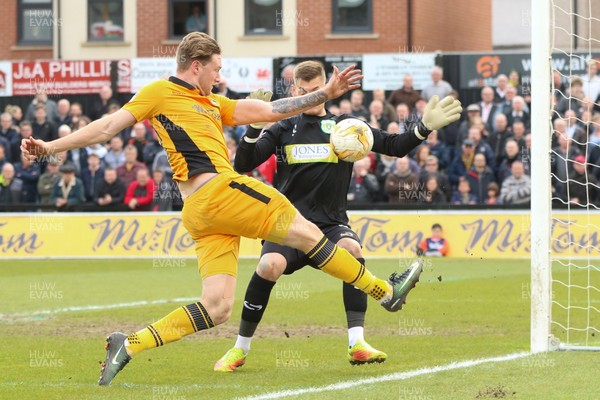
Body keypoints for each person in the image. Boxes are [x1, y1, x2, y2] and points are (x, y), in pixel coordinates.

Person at [20, 32, 460, 386]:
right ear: (196, 65)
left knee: (216, 308)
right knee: (306, 231)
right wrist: (50, 147)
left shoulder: (214, 104)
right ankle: (386, 293)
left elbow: (270, 108)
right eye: (216, 68)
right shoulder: (159, 92)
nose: (220, 75)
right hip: (220, 190)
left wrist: (323, 93)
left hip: (199, 214)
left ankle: (129, 343)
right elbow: (106, 126)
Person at [215, 60, 462, 371]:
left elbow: (394, 146)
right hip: (289, 225)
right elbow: (243, 163)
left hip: (331, 225)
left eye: (316, 90)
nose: (311, 96)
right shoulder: (282, 128)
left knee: (352, 250)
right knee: (269, 264)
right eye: (303, 91)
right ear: (294, 91)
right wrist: (252, 127)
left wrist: (422, 128)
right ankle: (240, 348)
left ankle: (357, 343)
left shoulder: (347, 127)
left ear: (326, 89)